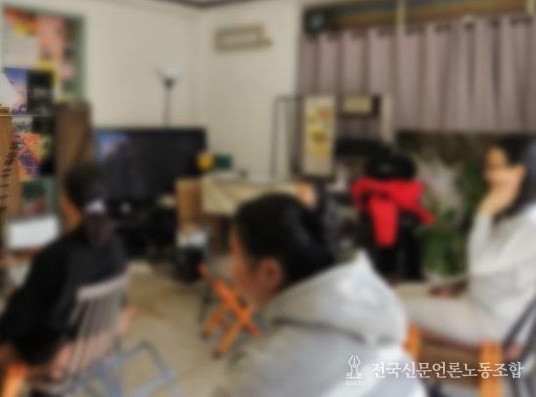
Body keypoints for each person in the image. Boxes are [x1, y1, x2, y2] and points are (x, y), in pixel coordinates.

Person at [212, 194, 425, 397]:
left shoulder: (261, 374)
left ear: (269, 273)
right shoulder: (368, 305)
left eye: (234, 255)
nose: (230, 270)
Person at [0, 163, 128, 381]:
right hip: (93, 344)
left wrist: (4, 325)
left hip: (55, 354)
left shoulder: (57, 256)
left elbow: (21, 324)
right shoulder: (116, 245)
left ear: (66, 200)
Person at [399, 137, 536, 346]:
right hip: (475, 302)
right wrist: (455, 285)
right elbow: (492, 266)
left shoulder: (529, 228)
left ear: (518, 173)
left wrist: (484, 212)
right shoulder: (517, 218)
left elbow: (479, 265)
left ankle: (382, 364)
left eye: (495, 168)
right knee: (399, 292)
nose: (487, 175)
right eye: (487, 167)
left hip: (490, 321)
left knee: (391, 306)